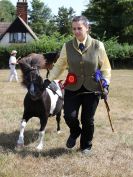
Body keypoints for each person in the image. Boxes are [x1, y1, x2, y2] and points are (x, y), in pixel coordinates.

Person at [50, 15, 112, 154]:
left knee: (88, 119)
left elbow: (105, 67)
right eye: (74, 29)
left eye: (79, 28)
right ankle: (75, 131)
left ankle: (86, 146)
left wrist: (105, 83)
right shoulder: (67, 46)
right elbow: (60, 65)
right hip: (73, 87)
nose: (76, 31)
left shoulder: (98, 45)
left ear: (87, 28)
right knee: (69, 116)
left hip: (93, 88)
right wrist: (49, 79)